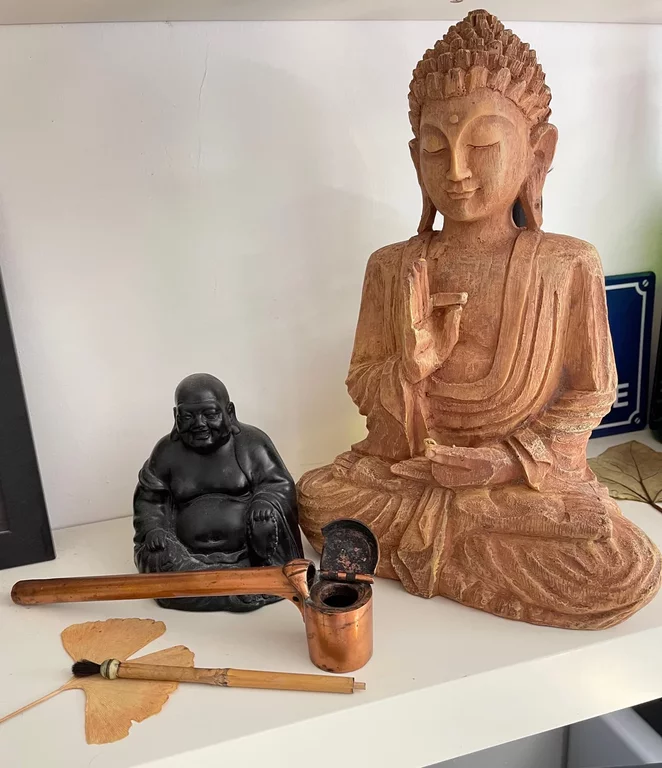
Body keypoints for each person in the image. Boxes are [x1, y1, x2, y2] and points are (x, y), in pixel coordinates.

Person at [297, 10, 661, 629]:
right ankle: (465, 524)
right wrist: (412, 366)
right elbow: (362, 381)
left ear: (538, 152)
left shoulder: (567, 263)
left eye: (484, 145)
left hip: (516, 480)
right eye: (436, 150)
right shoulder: (391, 266)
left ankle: (464, 522)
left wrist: (506, 464)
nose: (458, 171)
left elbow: (591, 392)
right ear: (415, 159)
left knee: (617, 565)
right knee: (318, 495)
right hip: (409, 474)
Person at [134, 373, 302, 611]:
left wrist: (265, 501)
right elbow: (150, 500)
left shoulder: (252, 443)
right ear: (176, 416)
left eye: (210, 414)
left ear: (229, 412)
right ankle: (239, 591)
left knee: (269, 526)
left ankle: (225, 587)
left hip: (250, 553)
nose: (199, 424)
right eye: (188, 416)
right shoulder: (166, 452)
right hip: (186, 558)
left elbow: (279, 484)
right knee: (158, 558)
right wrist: (154, 529)